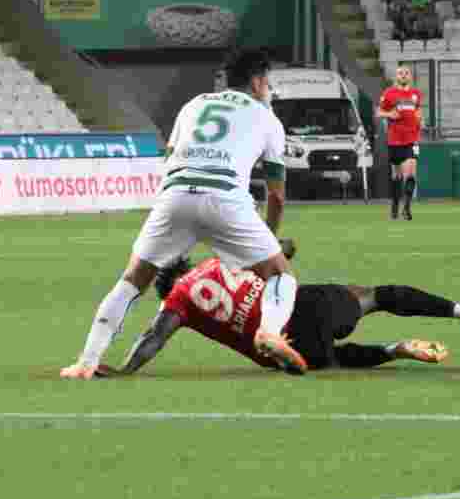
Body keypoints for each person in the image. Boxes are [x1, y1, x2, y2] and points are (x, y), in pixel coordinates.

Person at [60, 48, 303, 380]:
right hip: (226, 198)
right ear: (258, 82)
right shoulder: (267, 118)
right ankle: (269, 333)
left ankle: (85, 362)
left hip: (175, 194)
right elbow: (275, 194)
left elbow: (171, 157)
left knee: (132, 280)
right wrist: (268, 240)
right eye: (267, 82)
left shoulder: (194, 104)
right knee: (280, 276)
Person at [95, 252, 460, 376]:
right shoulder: (220, 258)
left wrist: (125, 369)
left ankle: (393, 350)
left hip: (289, 345)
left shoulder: (178, 301)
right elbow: (276, 249)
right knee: (376, 296)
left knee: (330, 359)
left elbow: (155, 337)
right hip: (310, 304)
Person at [375, 65, 422, 221]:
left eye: (406, 73)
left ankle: (406, 208)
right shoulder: (389, 93)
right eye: (400, 73)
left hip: (412, 139)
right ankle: (395, 205)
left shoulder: (416, 94)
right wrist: (390, 114)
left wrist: (420, 119)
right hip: (395, 140)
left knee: (411, 174)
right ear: (396, 76)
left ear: (410, 76)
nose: (403, 75)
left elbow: (418, 111)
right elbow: (378, 112)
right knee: (397, 176)